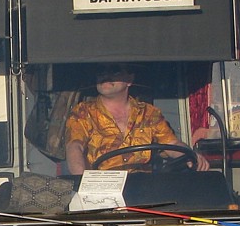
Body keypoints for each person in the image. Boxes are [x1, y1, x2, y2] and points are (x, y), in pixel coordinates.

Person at [63, 63, 210, 175]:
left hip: (143, 188)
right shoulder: (83, 112)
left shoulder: (148, 113)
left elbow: (171, 144)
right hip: (103, 188)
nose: (105, 76)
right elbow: (74, 146)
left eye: (114, 71)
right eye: (101, 72)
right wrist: (82, 182)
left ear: (129, 80)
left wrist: (192, 156)